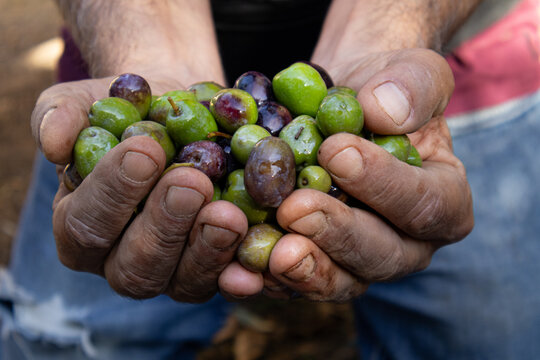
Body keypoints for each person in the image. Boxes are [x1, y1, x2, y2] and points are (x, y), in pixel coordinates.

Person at [0, 0, 535, 358]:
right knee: (63, 343)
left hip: (447, 86)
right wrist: (141, 30)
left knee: (491, 344)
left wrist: (391, 26)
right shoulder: (165, 127)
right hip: (117, 54)